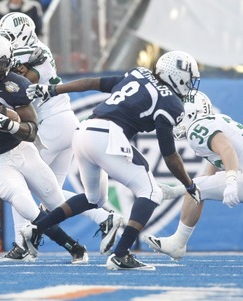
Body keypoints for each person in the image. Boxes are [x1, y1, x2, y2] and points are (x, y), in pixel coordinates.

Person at [22, 50, 202, 271]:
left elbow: (92, 82)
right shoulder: (171, 102)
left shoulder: (138, 74)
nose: (191, 84)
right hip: (106, 135)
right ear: (177, 74)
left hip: (84, 130)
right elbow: (169, 154)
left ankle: (36, 229)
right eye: (190, 78)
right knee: (151, 191)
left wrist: (53, 89)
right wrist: (189, 184)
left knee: (93, 198)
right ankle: (121, 254)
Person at [0, 12, 123, 262]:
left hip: (50, 125)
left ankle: (23, 244)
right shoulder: (32, 50)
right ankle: (105, 218)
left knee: (21, 182)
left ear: (21, 36)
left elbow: (21, 83)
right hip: (62, 122)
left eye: (8, 37)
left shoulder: (35, 52)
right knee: (50, 195)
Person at [0, 34, 87, 263]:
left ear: (9, 63)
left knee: (57, 202)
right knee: (26, 205)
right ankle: (74, 247)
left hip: (23, 152)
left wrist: (9, 125)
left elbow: (31, 131)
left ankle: (103, 213)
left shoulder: (16, 85)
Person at [145, 91, 242, 260]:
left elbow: (227, 149)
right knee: (195, 189)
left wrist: (232, 181)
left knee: (195, 189)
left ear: (190, 112)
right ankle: (177, 243)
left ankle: (177, 244)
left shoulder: (197, 128)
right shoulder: (216, 121)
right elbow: (208, 177)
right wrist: (176, 192)